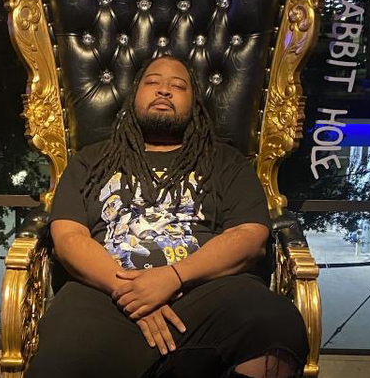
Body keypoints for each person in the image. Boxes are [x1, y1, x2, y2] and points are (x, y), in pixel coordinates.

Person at [25, 56, 309, 378]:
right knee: (60, 356)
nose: (164, 90)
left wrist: (172, 277)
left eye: (178, 86)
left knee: (276, 323)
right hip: (104, 292)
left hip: (204, 292)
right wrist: (130, 292)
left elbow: (249, 236)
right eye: (152, 82)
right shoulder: (90, 161)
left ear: (195, 103)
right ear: (134, 96)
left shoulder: (226, 161)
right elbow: (68, 237)